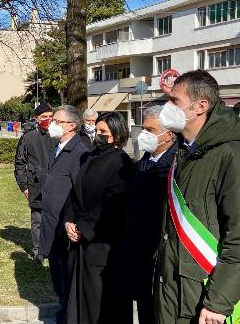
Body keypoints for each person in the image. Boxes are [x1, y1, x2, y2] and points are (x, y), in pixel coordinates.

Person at [154, 70, 240, 324]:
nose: (167, 107)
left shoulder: (230, 155)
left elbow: (237, 239)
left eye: (175, 101)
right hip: (172, 292)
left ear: (200, 106)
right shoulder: (183, 152)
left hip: (203, 301)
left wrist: (218, 303)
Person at [64, 111, 134, 324]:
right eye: (98, 130)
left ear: (117, 135)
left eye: (104, 132)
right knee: (77, 301)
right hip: (78, 242)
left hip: (101, 246)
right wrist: (68, 221)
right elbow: (74, 194)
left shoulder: (122, 164)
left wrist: (84, 227)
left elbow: (113, 205)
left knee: (98, 305)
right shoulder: (91, 157)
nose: (98, 135)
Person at [121, 105, 177, 324]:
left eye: (150, 130)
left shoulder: (174, 163)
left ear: (169, 135)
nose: (143, 135)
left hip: (158, 256)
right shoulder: (145, 160)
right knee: (144, 308)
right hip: (138, 253)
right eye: (143, 128)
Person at [39, 105, 89, 324]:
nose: (52, 125)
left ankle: (68, 317)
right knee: (57, 277)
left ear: (72, 125)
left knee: (67, 281)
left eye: (57, 121)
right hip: (51, 223)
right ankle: (63, 311)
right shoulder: (57, 148)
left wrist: (73, 224)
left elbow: (81, 195)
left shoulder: (80, 153)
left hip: (66, 227)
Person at [14, 101, 56, 263]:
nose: (48, 119)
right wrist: (24, 186)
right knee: (37, 220)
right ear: (37, 118)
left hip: (56, 186)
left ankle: (53, 248)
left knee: (55, 218)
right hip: (36, 186)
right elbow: (19, 164)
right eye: (44, 117)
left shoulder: (58, 135)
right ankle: (38, 251)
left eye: (51, 117)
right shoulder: (28, 137)